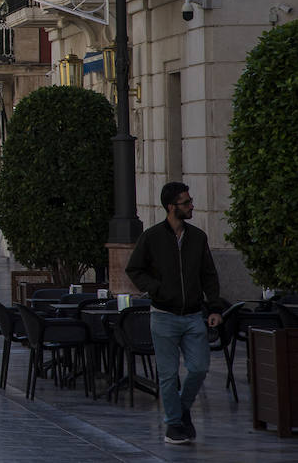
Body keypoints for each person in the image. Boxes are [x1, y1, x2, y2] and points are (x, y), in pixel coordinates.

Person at [125, 182, 227, 445]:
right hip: (163, 316)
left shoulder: (198, 237)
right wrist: (156, 289)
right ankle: (173, 425)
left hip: (194, 316)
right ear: (172, 207)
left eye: (190, 201)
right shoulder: (152, 237)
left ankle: (181, 410)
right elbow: (134, 269)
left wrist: (214, 307)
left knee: (199, 368)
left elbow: (208, 275)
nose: (192, 205)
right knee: (168, 375)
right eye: (186, 202)